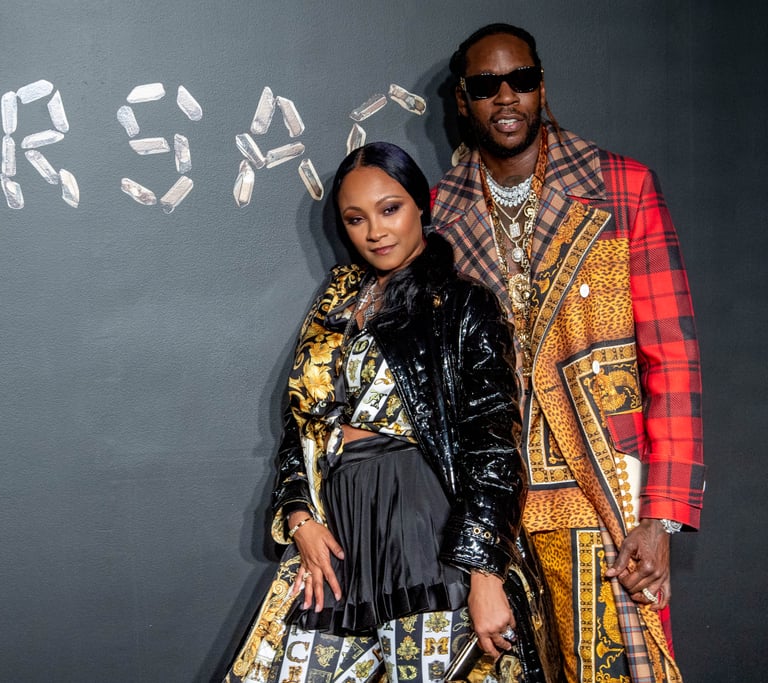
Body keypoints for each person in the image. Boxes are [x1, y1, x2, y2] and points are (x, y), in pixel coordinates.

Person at [225, 142, 559, 683]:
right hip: (338, 538)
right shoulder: (336, 307)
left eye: (390, 209)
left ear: (421, 205)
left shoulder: (463, 305)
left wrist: (484, 571)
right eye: (356, 219)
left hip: (424, 533)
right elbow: (301, 424)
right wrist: (299, 517)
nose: (375, 231)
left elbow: (493, 445)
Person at [431, 23, 704, 683]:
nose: (506, 97)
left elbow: (673, 358)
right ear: (464, 102)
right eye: (486, 85)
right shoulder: (438, 217)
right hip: (492, 501)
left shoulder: (621, 188)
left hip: (603, 492)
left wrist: (661, 516)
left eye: (520, 80)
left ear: (542, 87)